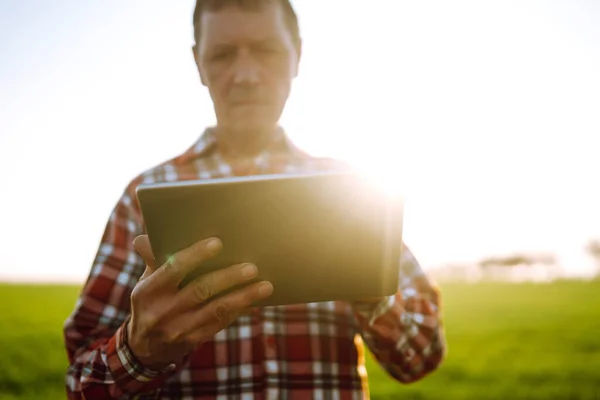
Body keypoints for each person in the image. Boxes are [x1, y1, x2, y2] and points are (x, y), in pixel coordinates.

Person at [63, 0, 447, 398]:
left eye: (266, 50)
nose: (246, 75)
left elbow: (422, 356)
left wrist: (371, 290)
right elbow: (80, 382)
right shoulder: (142, 199)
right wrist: (138, 350)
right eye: (223, 54)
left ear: (297, 54)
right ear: (198, 64)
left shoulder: (353, 192)